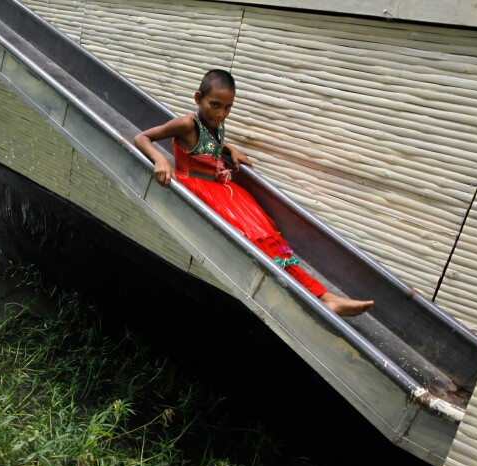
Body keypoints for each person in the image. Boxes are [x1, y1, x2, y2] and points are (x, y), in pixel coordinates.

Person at [134, 69, 374, 317]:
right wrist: (160, 160)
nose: (220, 113)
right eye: (215, 105)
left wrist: (231, 148)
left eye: (227, 107)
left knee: (267, 234)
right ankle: (317, 296)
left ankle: (322, 295)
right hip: (199, 188)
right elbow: (142, 138)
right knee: (253, 238)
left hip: (221, 189)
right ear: (198, 98)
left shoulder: (217, 123)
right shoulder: (185, 123)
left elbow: (211, 139)